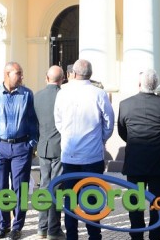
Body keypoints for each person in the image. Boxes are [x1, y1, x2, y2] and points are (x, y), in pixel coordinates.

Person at [54, 59, 114, 240]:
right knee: (92, 199)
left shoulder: (62, 93)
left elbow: (58, 122)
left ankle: (72, 236)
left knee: (70, 199)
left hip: (70, 155)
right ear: (90, 74)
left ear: (74, 73)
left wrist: (68, 137)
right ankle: (94, 236)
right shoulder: (99, 94)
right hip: (92, 156)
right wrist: (101, 139)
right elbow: (109, 122)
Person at [0, 62, 38, 240]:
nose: (22, 76)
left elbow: (33, 120)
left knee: (19, 188)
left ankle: (17, 226)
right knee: (1, 188)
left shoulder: (27, 94)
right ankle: (3, 225)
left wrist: (32, 143)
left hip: (21, 147)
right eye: (18, 73)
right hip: (0, 147)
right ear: (7, 74)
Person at [118, 68, 160, 240]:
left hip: (135, 161)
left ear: (139, 84)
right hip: (158, 161)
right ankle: (156, 236)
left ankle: (137, 236)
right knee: (157, 202)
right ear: (156, 85)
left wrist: (133, 141)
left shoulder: (125, 104)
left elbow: (122, 131)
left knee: (135, 203)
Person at [33, 65, 64, 240]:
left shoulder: (37, 96)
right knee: (56, 188)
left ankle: (41, 228)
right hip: (59, 147)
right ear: (62, 79)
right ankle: (54, 229)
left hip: (43, 146)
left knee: (44, 187)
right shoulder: (64, 96)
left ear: (46, 78)